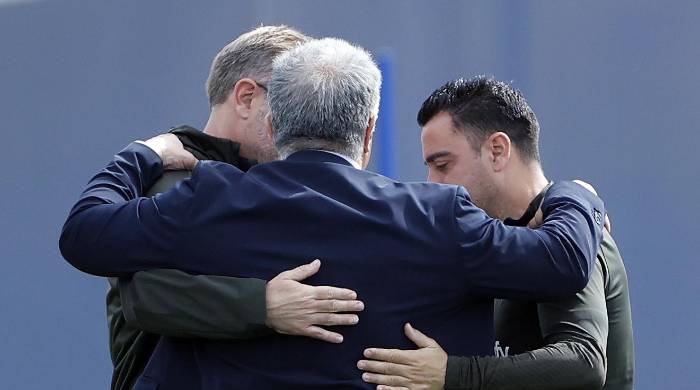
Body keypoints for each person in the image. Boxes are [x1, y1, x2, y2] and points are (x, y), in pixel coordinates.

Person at [59, 38, 605, 389]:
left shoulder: (209, 199)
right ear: (369, 133)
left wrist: (144, 153)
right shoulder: (439, 216)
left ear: (273, 127)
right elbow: (563, 262)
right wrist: (575, 193)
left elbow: (84, 234)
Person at [105, 26, 365, 390]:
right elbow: (147, 293)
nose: (302, 119)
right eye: (291, 101)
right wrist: (264, 305)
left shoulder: (275, 185)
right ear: (246, 97)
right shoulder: (170, 178)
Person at [357, 77, 634, 390]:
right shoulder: (496, 240)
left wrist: (453, 374)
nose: (431, 183)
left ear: (497, 151)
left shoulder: (571, 237)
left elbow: (583, 363)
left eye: (443, 164)